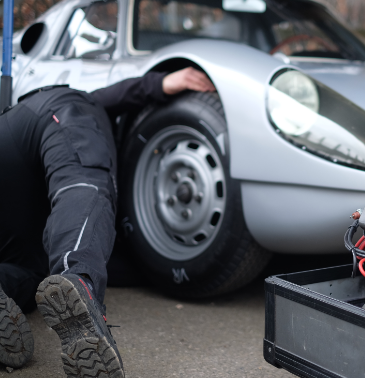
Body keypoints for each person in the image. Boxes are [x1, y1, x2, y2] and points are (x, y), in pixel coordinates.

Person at [0, 67, 214, 377]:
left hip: (13, 169)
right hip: (51, 116)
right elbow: (113, 95)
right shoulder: (81, 106)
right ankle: (78, 279)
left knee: (28, 274)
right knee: (82, 183)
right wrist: (160, 82)